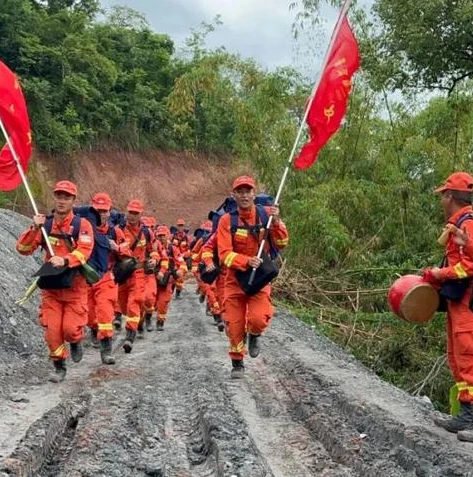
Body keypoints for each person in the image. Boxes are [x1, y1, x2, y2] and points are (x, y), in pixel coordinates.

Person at [16, 180, 94, 382]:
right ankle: (59, 365)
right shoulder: (45, 225)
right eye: (59, 196)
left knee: (69, 329)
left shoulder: (81, 225)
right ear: (55, 198)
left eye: (66, 197)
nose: (62, 200)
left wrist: (66, 259)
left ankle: (76, 340)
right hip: (51, 288)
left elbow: (85, 251)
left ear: (73, 200)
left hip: (74, 287)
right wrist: (34, 228)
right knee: (52, 330)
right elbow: (23, 250)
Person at [217, 175, 289, 378]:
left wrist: (276, 223)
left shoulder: (266, 215)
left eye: (248, 191)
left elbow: (282, 244)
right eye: (240, 191)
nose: (244, 195)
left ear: (254, 194)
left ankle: (255, 334)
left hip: (259, 278)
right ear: (234, 195)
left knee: (258, 319)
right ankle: (237, 362)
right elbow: (224, 255)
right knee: (233, 324)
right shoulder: (226, 221)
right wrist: (245, 261)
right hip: (235, 280)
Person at [423, 172, 473, 438]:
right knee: (459, 357)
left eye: (443, 195)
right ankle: (465, 416)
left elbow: (468, 267)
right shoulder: (459, 224)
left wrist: (439, 274)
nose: (441, 200)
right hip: (459, 301)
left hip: (468, 302)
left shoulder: (468, 224)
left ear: (450, 196)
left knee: (469, 356)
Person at [87, 193, 131, 364]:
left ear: (109, 212)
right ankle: (93, 329)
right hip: (87, 277)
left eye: (104, 211)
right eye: (97, 210)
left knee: (105, 312)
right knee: (89, 314)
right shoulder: (84, 228)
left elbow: (128, 254)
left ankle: (106, 350)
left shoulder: (116, 231)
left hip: (106, 276)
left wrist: (117, 248)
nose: (101, 214)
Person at [118, 199, 159, 352]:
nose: (133, 216)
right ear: (126, 212)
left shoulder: (147, 232)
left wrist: (154, 259)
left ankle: (130, 335)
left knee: (135, 301)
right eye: (130, 212)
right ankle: (138, 321)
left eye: (136, 213)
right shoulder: (118, 230)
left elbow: (153, 249)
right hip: (122, 274)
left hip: (139, 272)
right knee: (122, 306)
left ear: (141, 214)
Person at [172, 218, 192, 298]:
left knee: (180, 277)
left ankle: (178, 292)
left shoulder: (187, 237)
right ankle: (171, 291)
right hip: (174, 259)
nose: (180, 227)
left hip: (182, 259)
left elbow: (190, 249)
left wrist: (184, 255)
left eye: (182, 225)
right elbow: (168, 247)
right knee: (172, 276)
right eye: (179, 225)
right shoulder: (172, 236)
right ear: (177, 226)